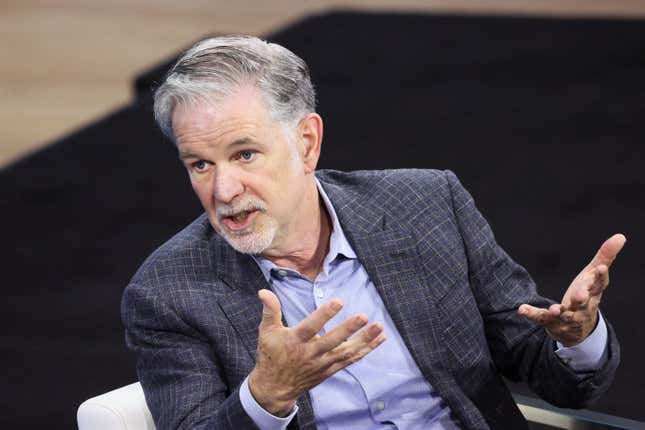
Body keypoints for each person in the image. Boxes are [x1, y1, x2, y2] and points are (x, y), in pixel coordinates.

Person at [121, 35, 624, 430]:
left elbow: (554, 377)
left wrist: (576, 339)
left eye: (244, 154)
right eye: (200, 165)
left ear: (306, 142)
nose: (224, 189)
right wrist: (267, 395)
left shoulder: (427, 206)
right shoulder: (168, 293)